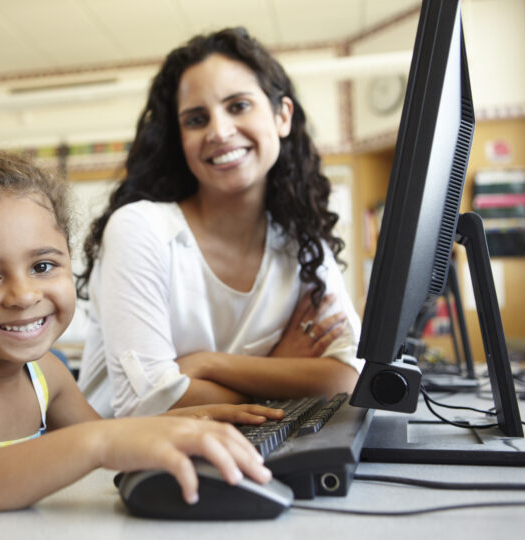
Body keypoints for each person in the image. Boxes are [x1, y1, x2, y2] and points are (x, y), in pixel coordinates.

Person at [0, 148, 282, 538]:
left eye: (43, 265)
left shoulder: (46, 373)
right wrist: (98, 445)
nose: (24, 295)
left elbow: (109, 440)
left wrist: (185, 423)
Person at [76, 27, 364, 419]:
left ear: (282, 116)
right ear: (179, 140)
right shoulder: (141, 229)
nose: (219, 131)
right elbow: (145, 403)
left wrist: (210, 364)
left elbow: (348, 377)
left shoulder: (303, 244)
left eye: (238, 106)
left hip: (238, 454)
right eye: (196, 119)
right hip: (118, 470)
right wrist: (284, 368)